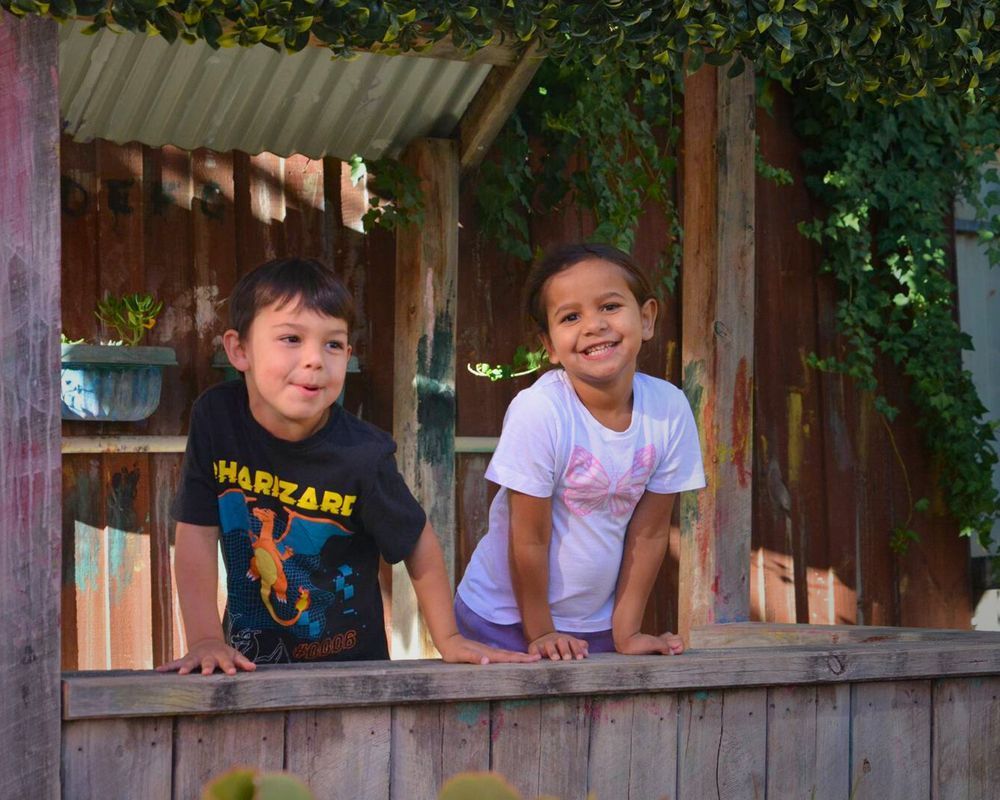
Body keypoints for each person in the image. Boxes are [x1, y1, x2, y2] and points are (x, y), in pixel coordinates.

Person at [158, 257, 536, 675]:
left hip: (353, 676)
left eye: (333, 344)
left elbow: (417, 541)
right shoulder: (217, 419)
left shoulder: (363, 455)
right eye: (291, 338)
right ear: (239, 350)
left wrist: (447, 639)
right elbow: (195, 529)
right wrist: (205, 640)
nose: (315, 359)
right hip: (246, 668)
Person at [455, 243, 706, 661]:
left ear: (646, 318)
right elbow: (529, 537)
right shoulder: (541, 411)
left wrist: (626, 632)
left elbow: (651, 533)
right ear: (550, 346)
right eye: (571, 317)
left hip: (594, 627)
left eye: (609, 306)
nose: (593, 326)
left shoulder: (670, 409)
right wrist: (541, 633)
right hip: (500, 619)